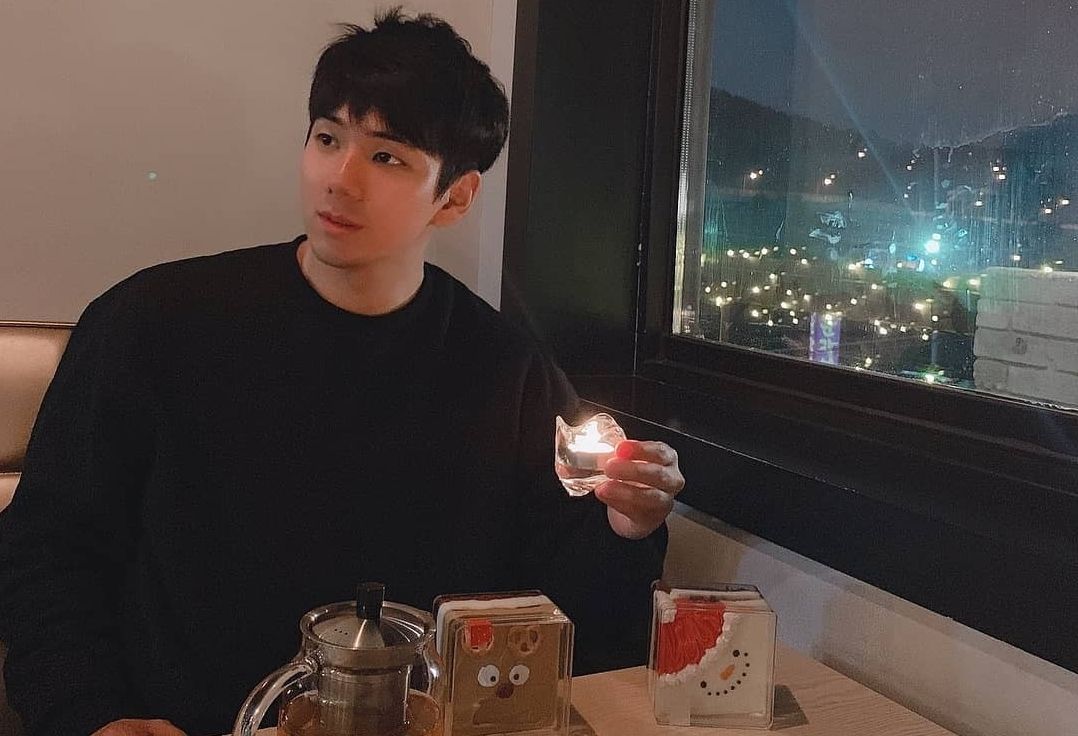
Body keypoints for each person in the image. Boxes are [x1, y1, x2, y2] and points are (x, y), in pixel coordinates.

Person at [0, 9, 684, 736]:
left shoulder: (505, 369)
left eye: (387, 157)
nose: (340, 180)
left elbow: (567, 617)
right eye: (328, 139)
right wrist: (92, 714)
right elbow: (46, 546)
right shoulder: (154, 323)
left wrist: (628, 528)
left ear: (455, 197)